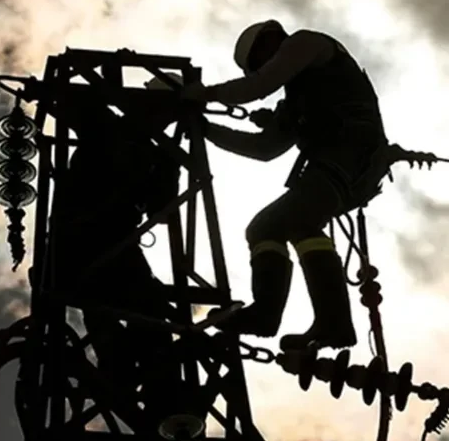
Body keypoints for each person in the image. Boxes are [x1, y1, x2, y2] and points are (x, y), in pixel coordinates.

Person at [181, 20, 393, 352]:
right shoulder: (296, 99)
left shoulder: (308, 43)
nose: (265, 68)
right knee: (280, 227)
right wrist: (207, 130)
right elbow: (264, 149)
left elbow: (259, 86)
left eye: (260, 62)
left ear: (271, 40)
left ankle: (282, 316)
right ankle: (328, 322)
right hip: (349, 165)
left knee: (277, 224)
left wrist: (206, 95)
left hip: (351, 155)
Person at [51, 76, 183, 385]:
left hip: (110, 243)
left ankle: (155, 388)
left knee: (143, 311)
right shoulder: (106, 126)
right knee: (111, 303)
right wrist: (109, 77)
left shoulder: (153, 153)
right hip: (83, 240)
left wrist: (169, 164)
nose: (163, 120)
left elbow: (161, 210)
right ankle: (128, 371)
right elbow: (70, 102)